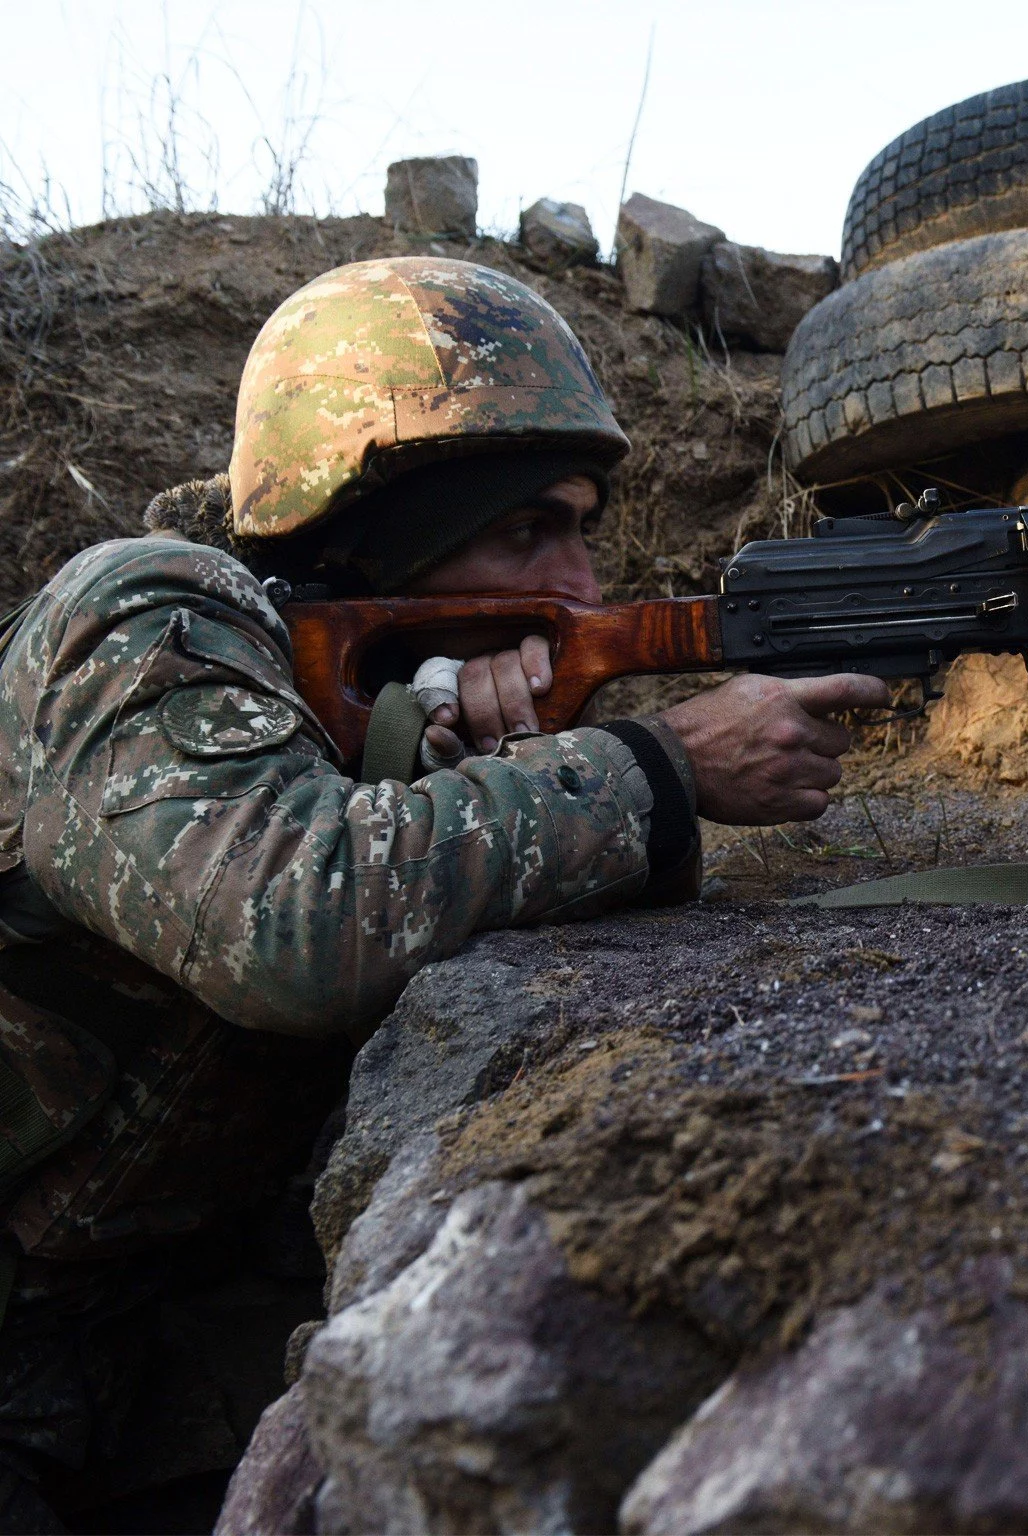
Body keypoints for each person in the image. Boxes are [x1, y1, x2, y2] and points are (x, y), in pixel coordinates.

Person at [0, 255, 885, 1525]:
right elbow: (291, 919)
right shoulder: (141, 614)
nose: (581, 586)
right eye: (528, 531)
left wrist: (420, 753)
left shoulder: (321, 680)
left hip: (135, 1335)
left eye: (581, 528)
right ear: (371, 534)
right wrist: (662, 767)